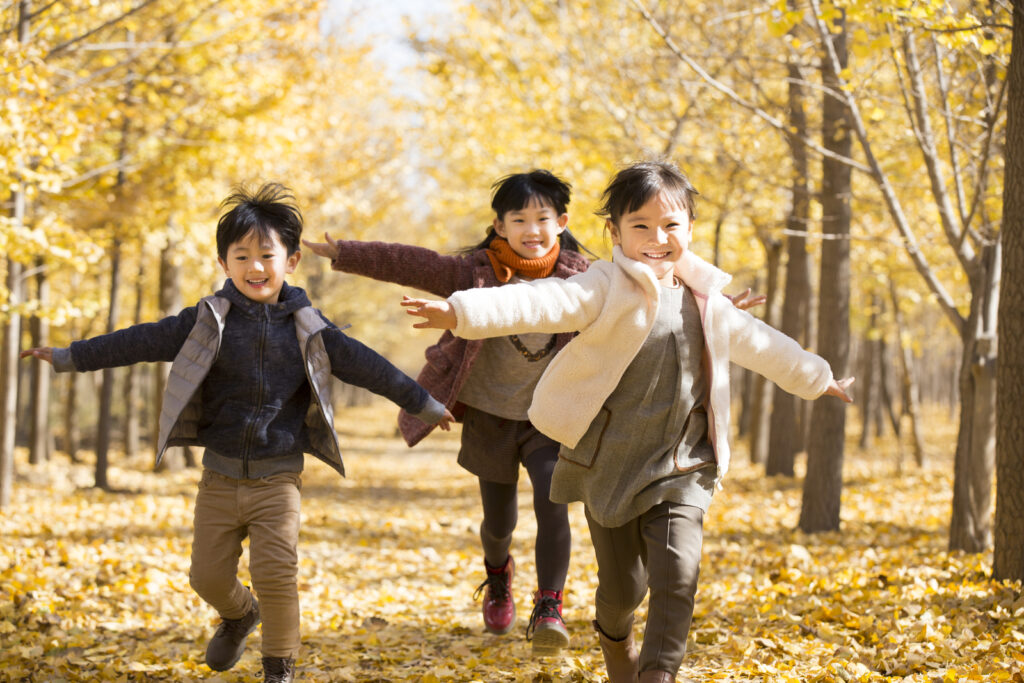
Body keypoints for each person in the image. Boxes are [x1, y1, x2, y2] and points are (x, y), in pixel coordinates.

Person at [400, 160, 854, 683]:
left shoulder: (709, 300)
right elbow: (541, 301)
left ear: (689, 229)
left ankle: (658, 673)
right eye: (640, 226)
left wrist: (819, 378)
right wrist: (460, 312)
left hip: (684, 464)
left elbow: (763, 344)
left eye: (671, 226)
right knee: (622, 593)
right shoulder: (602, 286)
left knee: (678, 574)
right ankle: (615, 638)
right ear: (613, 232)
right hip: (608, 464)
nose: (657, 239)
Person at [21, 183, 454, 683]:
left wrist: (423, 402)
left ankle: (279, 670)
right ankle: (239, 614)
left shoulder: (312, 328)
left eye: (266, 255)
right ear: (224, 263)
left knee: (276, 576)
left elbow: (370, 367)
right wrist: (71, 356)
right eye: (241, 255)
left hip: (278, 480)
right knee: (206, 577)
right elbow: (141, 340)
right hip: (220, 477)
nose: (255, 266)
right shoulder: (208, 321)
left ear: (290, 261)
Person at [302, 170, 590, 657]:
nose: (531, 228)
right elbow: (414, 263)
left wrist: (712, 301)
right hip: (488, 415)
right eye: (518, 218)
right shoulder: (474, 272)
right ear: (499, 226)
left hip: (550, 418)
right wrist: (346, 253)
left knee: (552, 501)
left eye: (542, 217)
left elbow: (643, 290)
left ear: (561, 222)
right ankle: (499, 576)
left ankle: (549, 607)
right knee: (499, 523)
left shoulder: (584, 279)